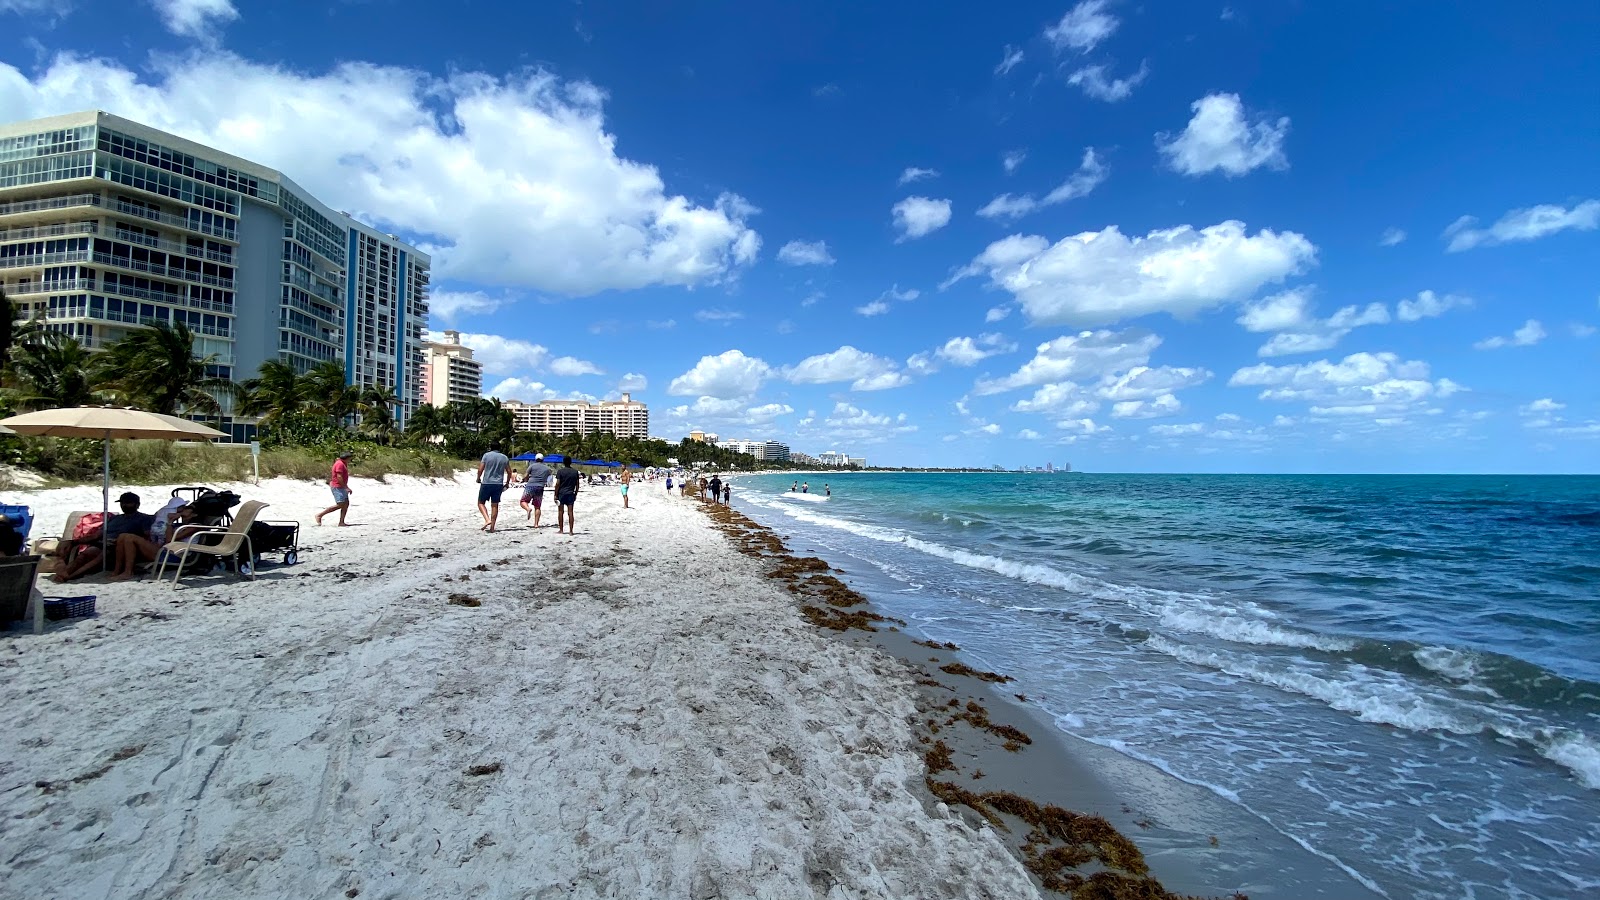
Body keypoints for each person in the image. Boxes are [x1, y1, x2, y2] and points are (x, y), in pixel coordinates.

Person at [56, 492, 155, 583]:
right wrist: (73, 542)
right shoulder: (115, 518)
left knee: (98, 557)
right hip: (103, 543)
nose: (124, 505)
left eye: (128, 503)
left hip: (119, 545)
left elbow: (146, 536)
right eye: (122, 503)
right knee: (84, 555)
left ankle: (70, 576)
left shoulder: (144, 519)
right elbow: (96, 535)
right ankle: (65, 573)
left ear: (137, 505)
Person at [477, 444, 511, 533]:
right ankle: (492, 527)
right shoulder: (504, 457)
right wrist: (507, 483)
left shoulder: (486, 455)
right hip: (498, 484)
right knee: (495, 505)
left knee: (480, 502)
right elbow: (509, 472)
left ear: (490, 447)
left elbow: (480, 469)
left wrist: (478, 478)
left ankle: (487, 519)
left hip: (487, 482)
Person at [316, 451, 354, 526]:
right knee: (340, 504)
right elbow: (339, 476)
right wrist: (345, 487)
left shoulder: (343, 463)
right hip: (337, 486)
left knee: (346, 504)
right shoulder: (339, 464)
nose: (350, 460)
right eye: (350, 459)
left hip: (341, 486)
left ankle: (341, 522)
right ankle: (320, 515)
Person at [521, 454, 553, 525]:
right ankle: (536, 524)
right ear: (543, 459)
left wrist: (524, 479)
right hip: (540, 487)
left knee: (523, 501)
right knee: (537, 506)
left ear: (535, 459)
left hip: (530, 485)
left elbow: (525, 476)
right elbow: (550, 474)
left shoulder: (532, 466)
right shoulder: (547, 468)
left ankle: (528, 509)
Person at [554, 456, 581, 535]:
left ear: (563, 462)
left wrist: (555, 494)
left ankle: (561, 530)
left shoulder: (560, 471)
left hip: (561, 493)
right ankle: (571, 531)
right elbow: (577, 484)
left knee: (560, 512)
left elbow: (557, 484)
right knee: (570, 512)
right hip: (570, 493)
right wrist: (575, 493)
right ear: (571, 462)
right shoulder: (575, 472)